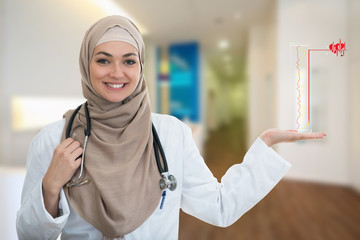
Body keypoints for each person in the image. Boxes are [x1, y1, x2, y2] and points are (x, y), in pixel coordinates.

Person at [16, 15, 326, 240]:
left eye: (129, 61)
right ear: (86, 64)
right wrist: (50, 188)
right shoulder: (53, 141)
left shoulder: (169, 134)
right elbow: (29, 235)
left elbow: (219, 207)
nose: (116, 72)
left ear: (141, 67)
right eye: (103, 60)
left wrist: (265, 146)